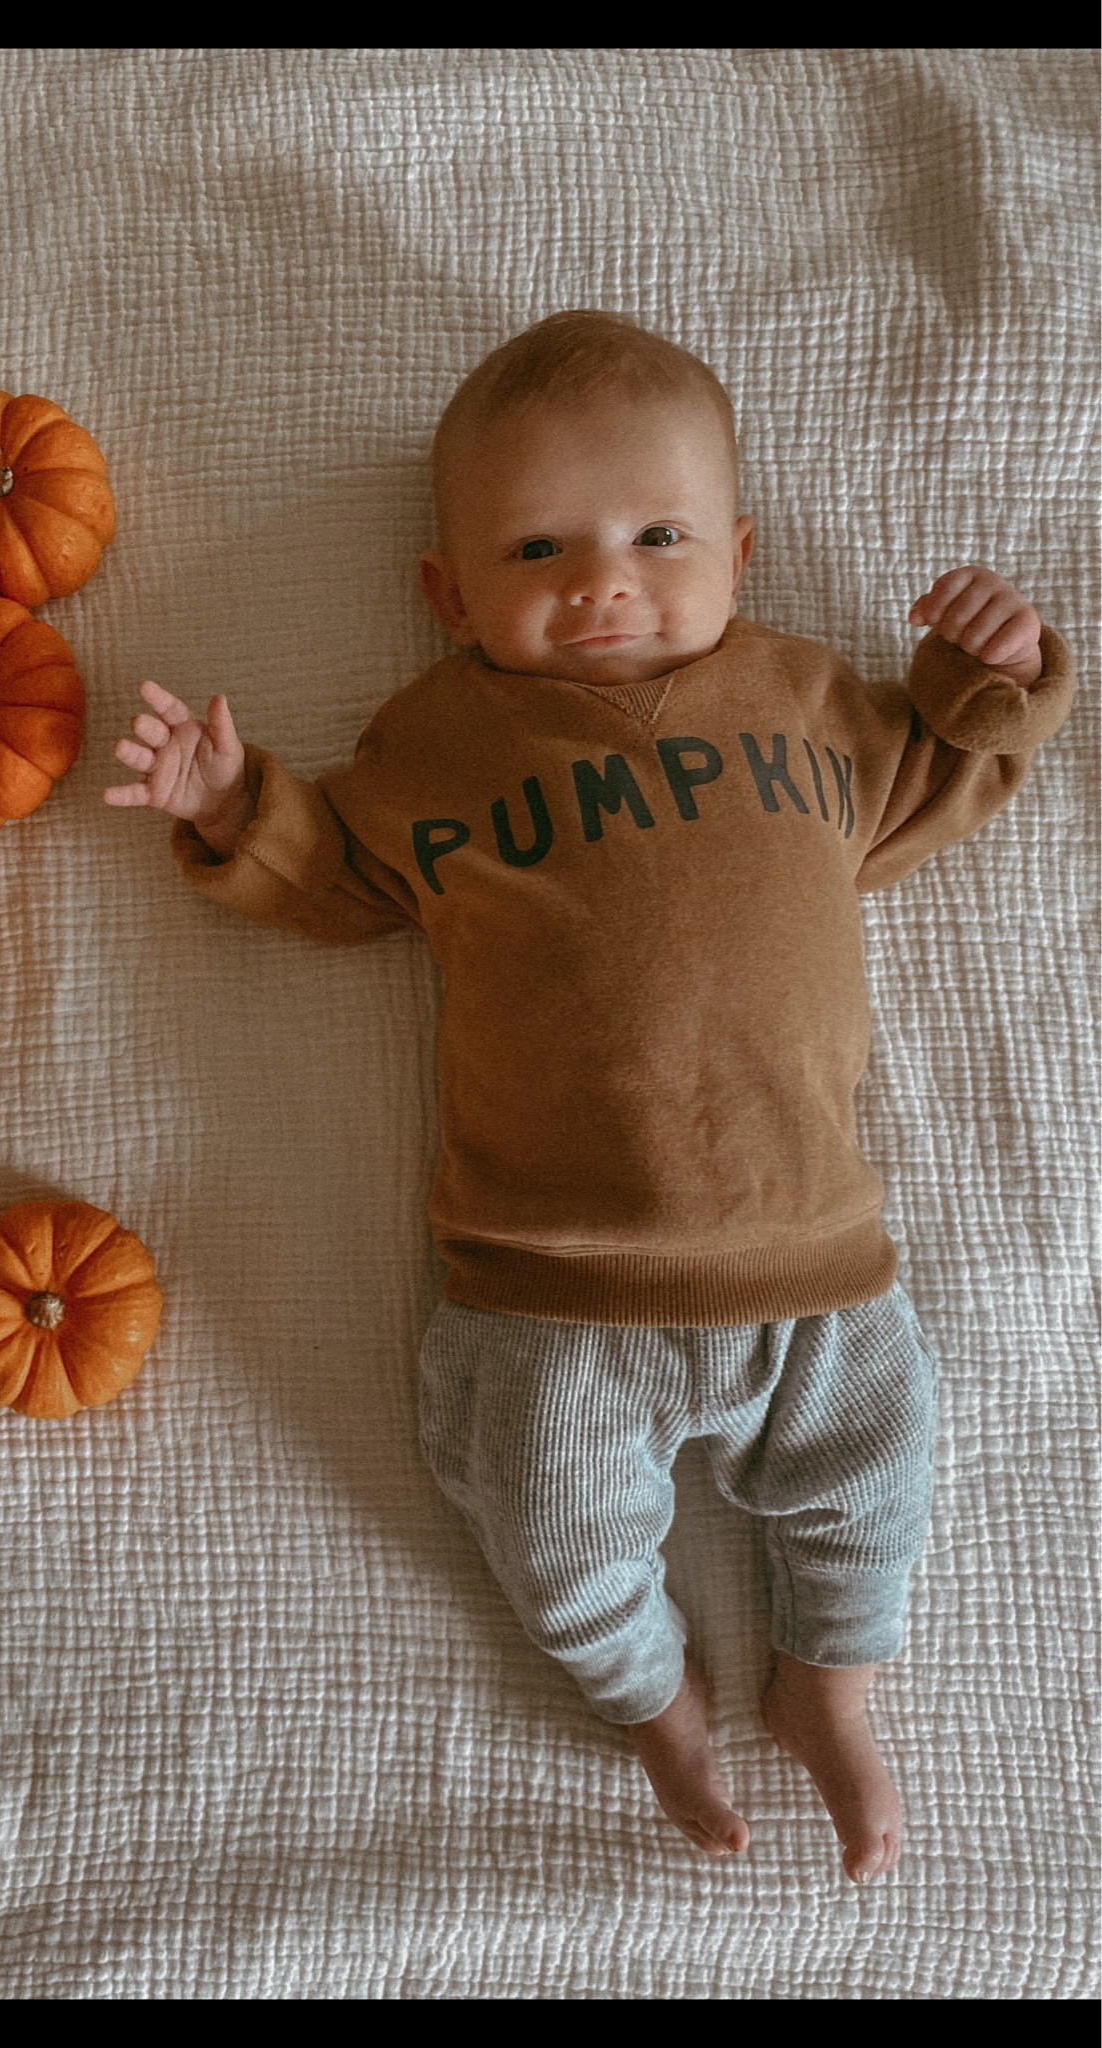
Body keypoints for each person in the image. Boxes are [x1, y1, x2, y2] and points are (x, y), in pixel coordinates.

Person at [101, 311, 1074, 1883]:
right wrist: (232, 807)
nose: (602, 583)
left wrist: (995, 677)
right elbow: (338, 875)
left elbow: (948, 770)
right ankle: (652, 1704)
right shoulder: (444, 743)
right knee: (551, 1529)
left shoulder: (807, 706)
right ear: (447, 596)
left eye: (659, 538)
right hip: (549, 1279)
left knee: (881, 1470)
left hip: (812, 1257)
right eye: (538, 549)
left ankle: (830, 1684)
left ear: (740, 554)